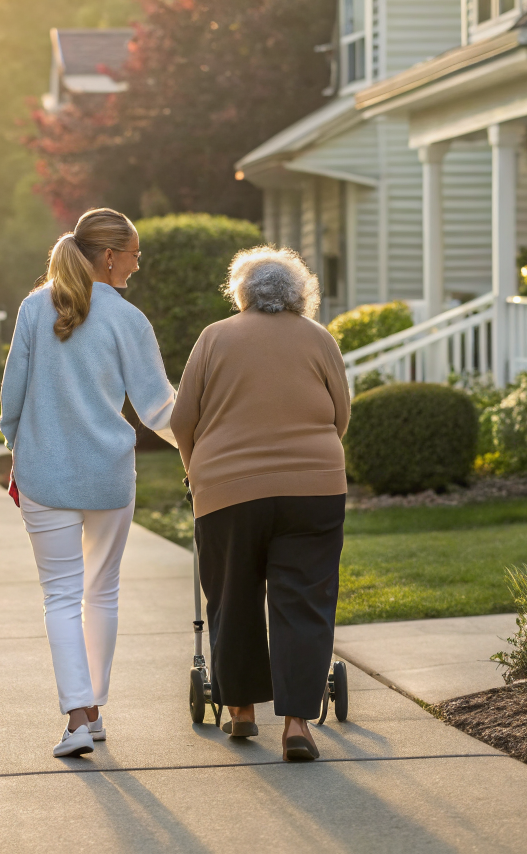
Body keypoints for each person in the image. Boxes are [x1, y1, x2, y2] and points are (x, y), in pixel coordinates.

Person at [0, 207, 176, 758]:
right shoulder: (129, 320)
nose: (137, 265)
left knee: (60, 597)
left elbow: (13, 395)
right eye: (133, 255)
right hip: (108, 478)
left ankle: (79, 718)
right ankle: (93, 708)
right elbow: (158, 408)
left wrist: (16, 443)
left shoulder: (34, 308)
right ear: (109, 256)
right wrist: (200, 445)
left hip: (44, 475)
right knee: (103, 592)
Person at [171, 246, 350, 763]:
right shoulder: (319, 339)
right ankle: (297, 723)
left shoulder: (214, 337)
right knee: (304, 600)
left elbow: (183, 420)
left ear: (242, 293)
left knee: (232, 595)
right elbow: (340, 415)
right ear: (299, 294)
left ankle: (242, 710)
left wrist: (195, 468)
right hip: (312, 489)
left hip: (226, 487)